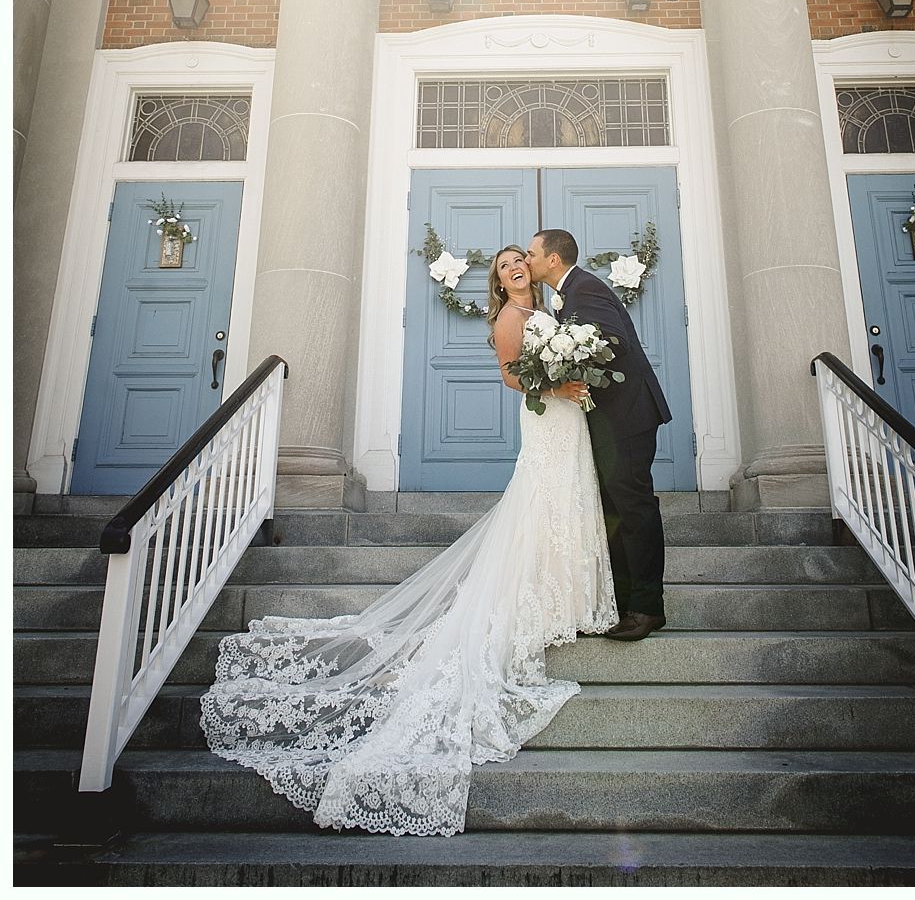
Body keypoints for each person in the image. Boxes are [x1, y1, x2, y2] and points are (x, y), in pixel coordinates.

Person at [201, 244, 617, 837]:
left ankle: (567, 595)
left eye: (519, 258)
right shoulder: (508, 319)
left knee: (567, 500)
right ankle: (544, 600)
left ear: (535, 265)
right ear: (498, 282)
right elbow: (510, 377)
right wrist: (559, 388)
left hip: (570, 417)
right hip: (548, 417)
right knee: (542, 503)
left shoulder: (552, 306)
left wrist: (573, 377)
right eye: (503, 266)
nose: (514, 267)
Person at [526, 228, 671, 642]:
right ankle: (624, 603)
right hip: (613, 419)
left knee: (634, 508)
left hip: (627, 416)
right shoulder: (572, 293)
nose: (529, 260)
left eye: (533, 253)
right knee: (616, 509)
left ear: (553, 259)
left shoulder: (584, 290)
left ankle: (647, 607)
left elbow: (612, 342)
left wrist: (566, 357)